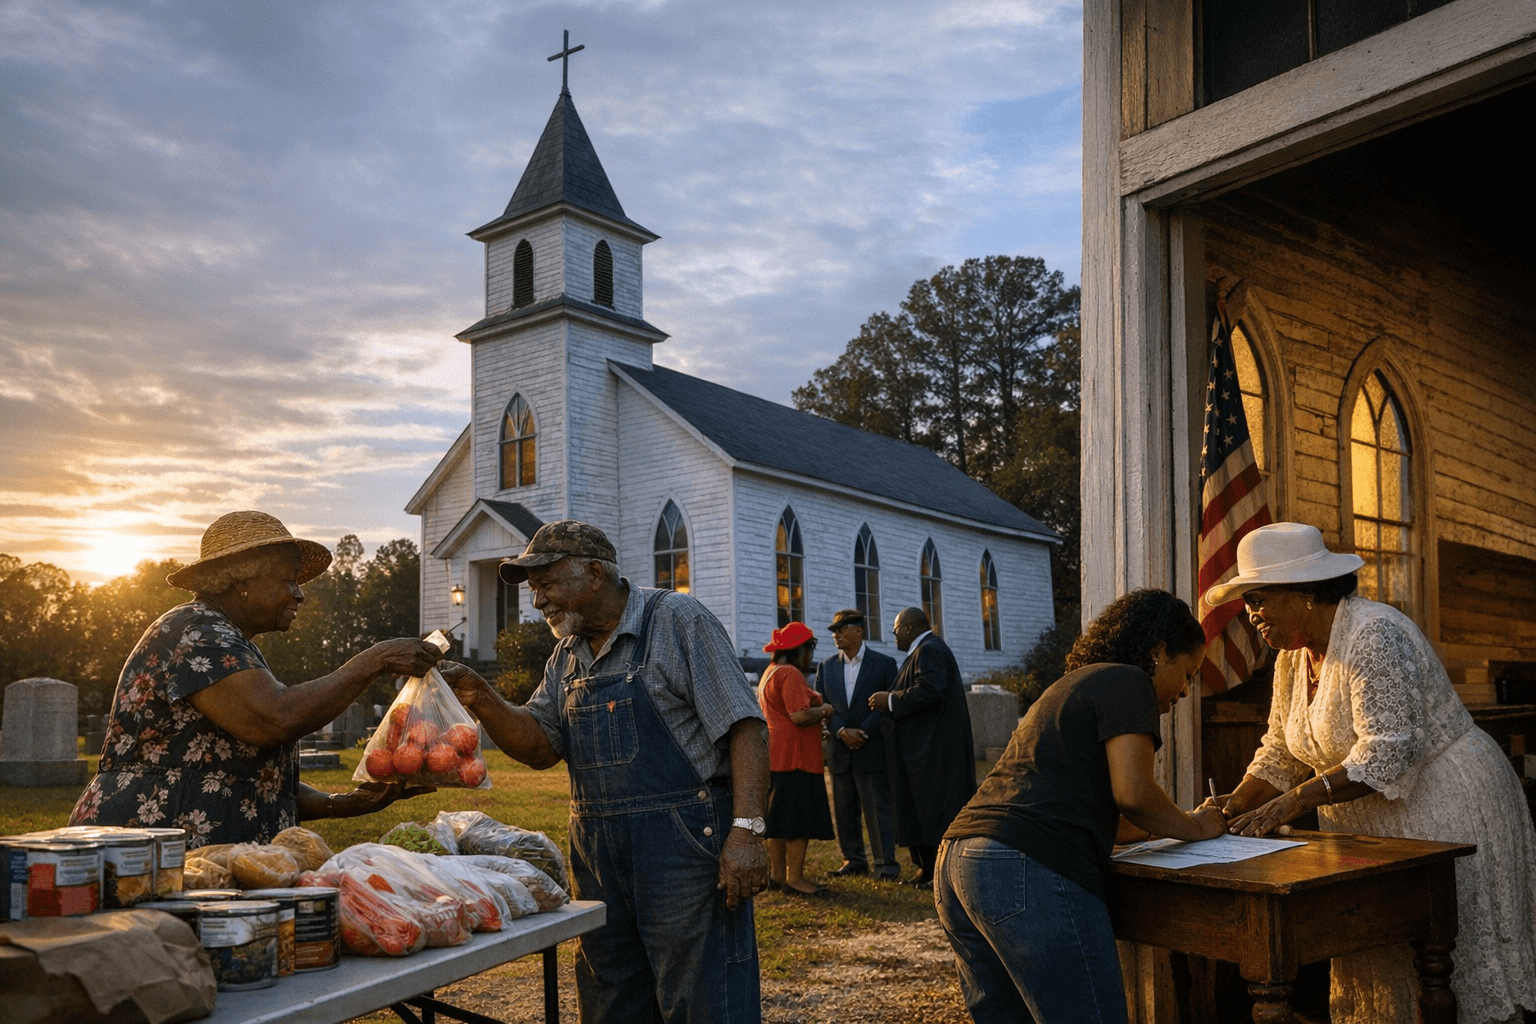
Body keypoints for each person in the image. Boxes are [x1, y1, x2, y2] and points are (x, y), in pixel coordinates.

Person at [439, 520, 769, 1024]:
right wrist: (481, 696)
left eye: (547, 585)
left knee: (702, 998)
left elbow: (746, 729)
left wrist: (747, 832)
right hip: (596, 860)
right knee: (610, 999)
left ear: (594, 573)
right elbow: (540, 745)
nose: (538, 602)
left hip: (684, 854)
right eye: (533, 590)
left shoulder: (678, 619)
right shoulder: (566, 655)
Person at [1208, 522, 1536, 1024]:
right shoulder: (1291, 659)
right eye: (1248, 602)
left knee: (1456, 959)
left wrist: (1296, 800)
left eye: (1258, 598)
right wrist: (1234, 803)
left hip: (1445, 806)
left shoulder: (1374, 632)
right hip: (1367, 824)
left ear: (1305, 593)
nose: (1251, 614)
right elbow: (1280, 750)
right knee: (1382, 964)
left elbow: (1387, 751)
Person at [936, 589, 1225, 1024]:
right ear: (1159, 652)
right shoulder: (1128, 681)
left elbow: (1106, 815)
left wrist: (1162, 828)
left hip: (960, 862)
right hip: (1023, 865)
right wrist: (1198, 826)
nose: (1185, 691)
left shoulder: (1072, 686)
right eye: (1187, 673)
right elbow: (1134, 794)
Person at [68, 510, 444, 846]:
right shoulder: (196, 631)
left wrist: (340, 804)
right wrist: (375, 660)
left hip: (201, 850)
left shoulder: (229, 640)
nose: (299, 595)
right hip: (151, 846)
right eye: (288, 580)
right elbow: (274, 719)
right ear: (241, 580)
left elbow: (247, 775)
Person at [868, 607, 977, 888]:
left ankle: (940, 872)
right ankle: (925, 869)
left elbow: (930, 689)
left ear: (909, 627)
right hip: (919, 751)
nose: (893, 638)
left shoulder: (929, 650)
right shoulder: (923, 651)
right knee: (918, 810)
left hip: (933, 751)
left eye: (895, 631)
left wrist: (890, 701)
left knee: (934, 810)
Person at [813, 608, 900, 879]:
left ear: (859, 630)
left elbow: (888, 705)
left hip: (870, 746)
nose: (836, 635)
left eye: (841, 629)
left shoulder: (884, 664)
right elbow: (822, 704)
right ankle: (853, 860)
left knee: (877, 808)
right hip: (840, 749)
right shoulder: (826, 667)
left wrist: (862, 732)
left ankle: (885, 864)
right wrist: (840, 731)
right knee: (844, 808)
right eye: (834, 631)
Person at [758, 621, 837, 897]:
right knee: (796, 821)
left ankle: (777, 875)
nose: (810, 656)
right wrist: (825, 711)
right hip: (797, 757)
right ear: (798, 650)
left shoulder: (770, 672)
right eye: (808, 650)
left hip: (776, 756)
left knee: (778, 820)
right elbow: (799, 715)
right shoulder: (790, 673)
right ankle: (795, 879)